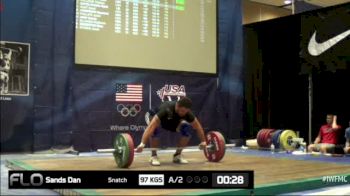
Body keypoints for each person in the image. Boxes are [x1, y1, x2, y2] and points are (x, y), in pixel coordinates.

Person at [135, 97, 207, 166]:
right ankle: (154, 156)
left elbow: (198, 126)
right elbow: (151, 127)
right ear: (177, 106)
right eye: (182, 111)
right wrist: (142, 144)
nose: (184, 114)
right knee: (155, 130)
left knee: (186, 129)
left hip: (170, 121)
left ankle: (177, 156)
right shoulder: (166, 109)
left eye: (186, 112)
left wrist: (203, 141)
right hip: (153, 116)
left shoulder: (187, 113)